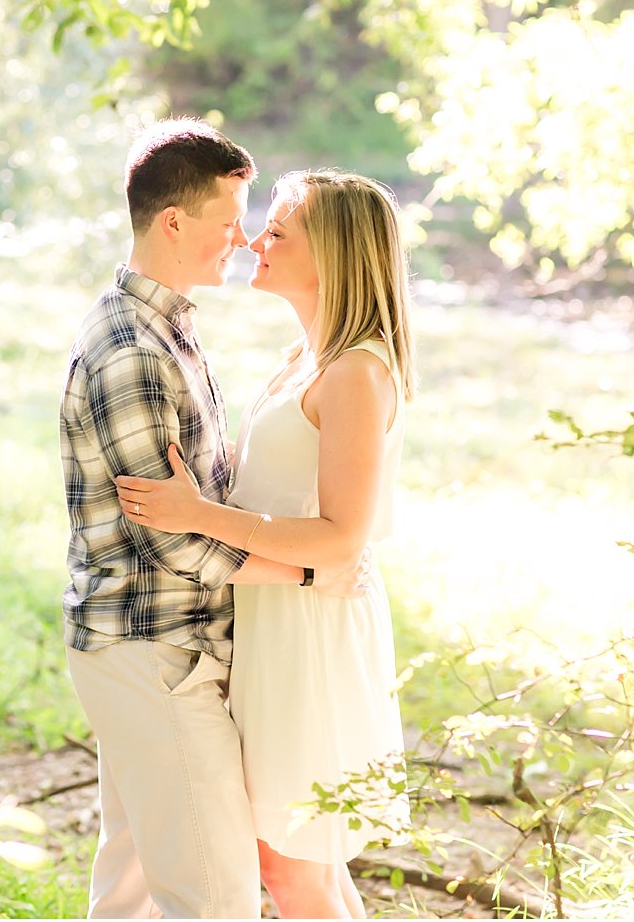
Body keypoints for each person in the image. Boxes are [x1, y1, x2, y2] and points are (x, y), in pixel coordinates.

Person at [59, 121, 368, 919]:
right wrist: (308, 571)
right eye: (229, 221)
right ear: (173, 222)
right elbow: (174, 541)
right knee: (216, 896)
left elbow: (204, 502)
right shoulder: (132, 348)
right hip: (155, 649)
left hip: (169, 646)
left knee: (130, 886)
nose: (243, 237)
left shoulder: (171, 327)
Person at [114, 169, 414, 918]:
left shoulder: (356, 372)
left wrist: (197, 516)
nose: (254, 238)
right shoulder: (303, 358)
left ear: (336, 254)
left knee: (290, 865)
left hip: (312, 634)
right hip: (273, 621)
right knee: (295, 860)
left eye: (278, 230)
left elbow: (344, 539)